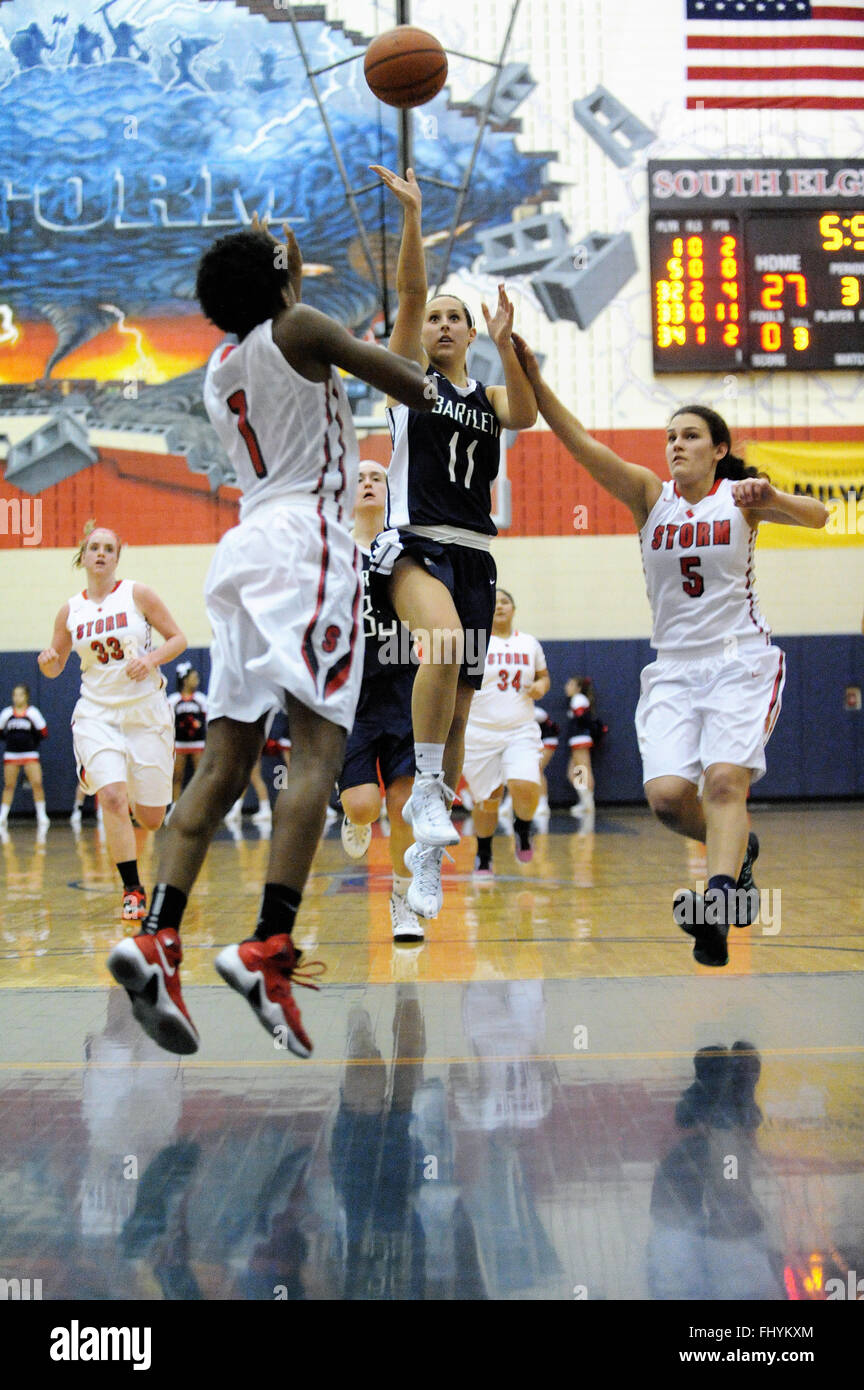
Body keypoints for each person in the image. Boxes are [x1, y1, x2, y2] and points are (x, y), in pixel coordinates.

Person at [106, 214, 436, 1057]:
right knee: (319, 752)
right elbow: (412, 384)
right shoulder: (299, 324)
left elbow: (285, 311)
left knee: (223, 764)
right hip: (307, 545)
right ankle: (268, 947)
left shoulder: (220, 367)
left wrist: (276, 257)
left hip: (244, 549)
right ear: (283, 279)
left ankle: (158, 935)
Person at [511, 335, 828, 967]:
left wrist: (773, 497)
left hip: (739, 660)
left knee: (724, 781)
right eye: (670, 437)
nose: (676, 445)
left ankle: (715, 907)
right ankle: (741, 851)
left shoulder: (740, 502)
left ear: (719, 450)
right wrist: (536, 382)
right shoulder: (648, 500)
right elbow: (581, 445)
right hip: (674, 670)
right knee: (664, 800)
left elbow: (820, 516)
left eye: (689, 436)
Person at [368, 164, 536, 920]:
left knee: (461, 713)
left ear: (469, 334)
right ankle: (428, 793)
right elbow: (407, 294)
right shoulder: (410, 381)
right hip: (413, 546)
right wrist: (412, 217)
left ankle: (426, 861)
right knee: (438, 646)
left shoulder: (489, 395)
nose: (438, 324)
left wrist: (508, 344)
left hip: (473, 551)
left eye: (452, 319)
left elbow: (526, 413)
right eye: (433, 317)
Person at [38, 523, 186, 920]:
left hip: (146, 713)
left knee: (152, 819)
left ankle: (120, 773)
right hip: (97, 713)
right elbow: (55, 667)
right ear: (83, 556)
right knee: (114, 798)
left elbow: (178, 639)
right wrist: (49, 663)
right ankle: (133, 890)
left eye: (108, 548)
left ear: (117, 557)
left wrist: (150, 659)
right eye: (94, 548)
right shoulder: (71, 610)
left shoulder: (137, 594)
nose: (101, 554)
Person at [337, 459, 422, 943]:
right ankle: (352, 813)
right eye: (361, 477)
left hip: (404, 685)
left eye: (378, 478)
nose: (368, 482)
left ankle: (403, 901)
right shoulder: (331, 550)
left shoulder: (407, 547)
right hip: (351, 691)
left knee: (403, 801)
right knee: (365, 805)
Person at [462, 588, 550, 880]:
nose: (499, 606)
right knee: (487, 801)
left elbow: (543, 677)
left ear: (514, 608)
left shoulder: (529, 643)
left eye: (505, 601)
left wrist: (540, 687)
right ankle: (484, 852)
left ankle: (523, 827)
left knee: (525, 784)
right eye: (494, 602)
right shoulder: (473, 643)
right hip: (479, 733)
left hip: (520, 729)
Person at [0, 684, 49, 836]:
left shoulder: (33, 713)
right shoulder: (7, 713)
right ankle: (3, 817)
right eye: (15, 695)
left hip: (30, 753)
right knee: (9, 785)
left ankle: (42, 816)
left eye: (20, 695)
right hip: (11, 754)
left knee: (37, 784)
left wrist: (31, 742)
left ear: (26, 696)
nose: (17, 698)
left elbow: (43, 732)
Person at [168, 662, 208, 807]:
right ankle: (174, 806)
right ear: (185, 680)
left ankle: (201, 805)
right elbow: (168, 723)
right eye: (193, 677)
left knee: (199, 776)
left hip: (197, 743)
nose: (196, 680)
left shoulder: (201, 699)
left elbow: (207, 721)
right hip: (179, 743)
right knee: (177, 776)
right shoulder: (173, 700)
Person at [565, 674, 601, 830]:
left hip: (580, 739)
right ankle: (584, 802)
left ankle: (588, 804)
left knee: (583, 771)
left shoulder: (578, 699)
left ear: (578, 688)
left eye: (570, 684)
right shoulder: (579, 699)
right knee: (574, 773)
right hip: (578, 739)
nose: (567, 686)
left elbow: (583, 720)